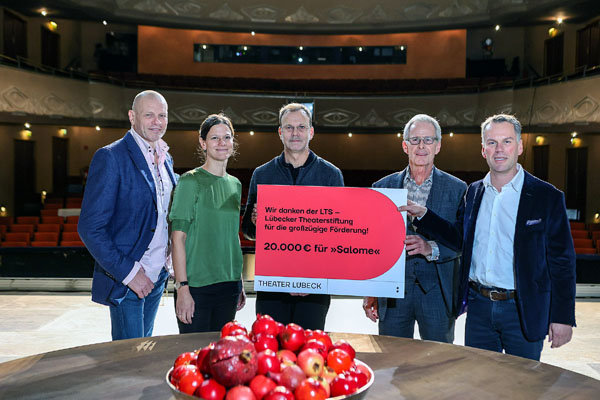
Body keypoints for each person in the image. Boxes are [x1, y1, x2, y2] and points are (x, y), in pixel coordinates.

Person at [404, 114, 576, 360]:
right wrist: (424, 215)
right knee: (480, 385)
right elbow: (458, 238)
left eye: (506, 141)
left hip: (522, 309)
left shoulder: (546, 196)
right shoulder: (474, 192)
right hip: (479, 309)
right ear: (483, 149)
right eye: (492, 143)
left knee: (522, 386)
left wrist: (562, 317)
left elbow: (562, 261)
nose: (499, 149)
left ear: (519, 146)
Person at [79, 90, 177, 340]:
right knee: (128, 360)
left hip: (158, 276)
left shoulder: (167, 159)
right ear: (132, 116)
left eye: (162, 115)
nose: (157, 121)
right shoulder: (111, 157)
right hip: (129, 279)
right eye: (149, 115)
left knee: (143, 353)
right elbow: (90, 228)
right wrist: (130, 274)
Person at [362, 114, 467, 343]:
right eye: (415, 139)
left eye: (428, 140)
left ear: (438, 146)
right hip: (393, 294)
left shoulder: (458, 189)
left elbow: (462, 242)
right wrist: (371, 290)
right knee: (392, 362)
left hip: (438, 292)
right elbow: (373, 244)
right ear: (404, 145)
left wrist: (431, 248)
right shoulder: (382, 187)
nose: (421, 146)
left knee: (437, 364)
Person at [241, 103, 344, 330]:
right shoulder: (262, 173)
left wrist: (313, 277)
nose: (295, 133)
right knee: (271, 350)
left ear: (311, 132)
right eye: (289, 128)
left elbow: (337, 235)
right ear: (280, 132)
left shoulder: (331, 175)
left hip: (314, 286)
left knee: (309, 353)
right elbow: (248, 230)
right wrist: (256, 222)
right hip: (273, 285)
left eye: (301, 127)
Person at [169, 114, 246, 333]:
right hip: (196, 287)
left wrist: (238, 280)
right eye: (215, 138)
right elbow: (177, 238)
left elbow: (231, 236)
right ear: (203, 143)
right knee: (194, 360)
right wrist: (182, 288)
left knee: (220, 360)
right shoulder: (190, 181)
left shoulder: (235, 184)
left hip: (229, 286)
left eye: (227, 137)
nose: (222, 143)